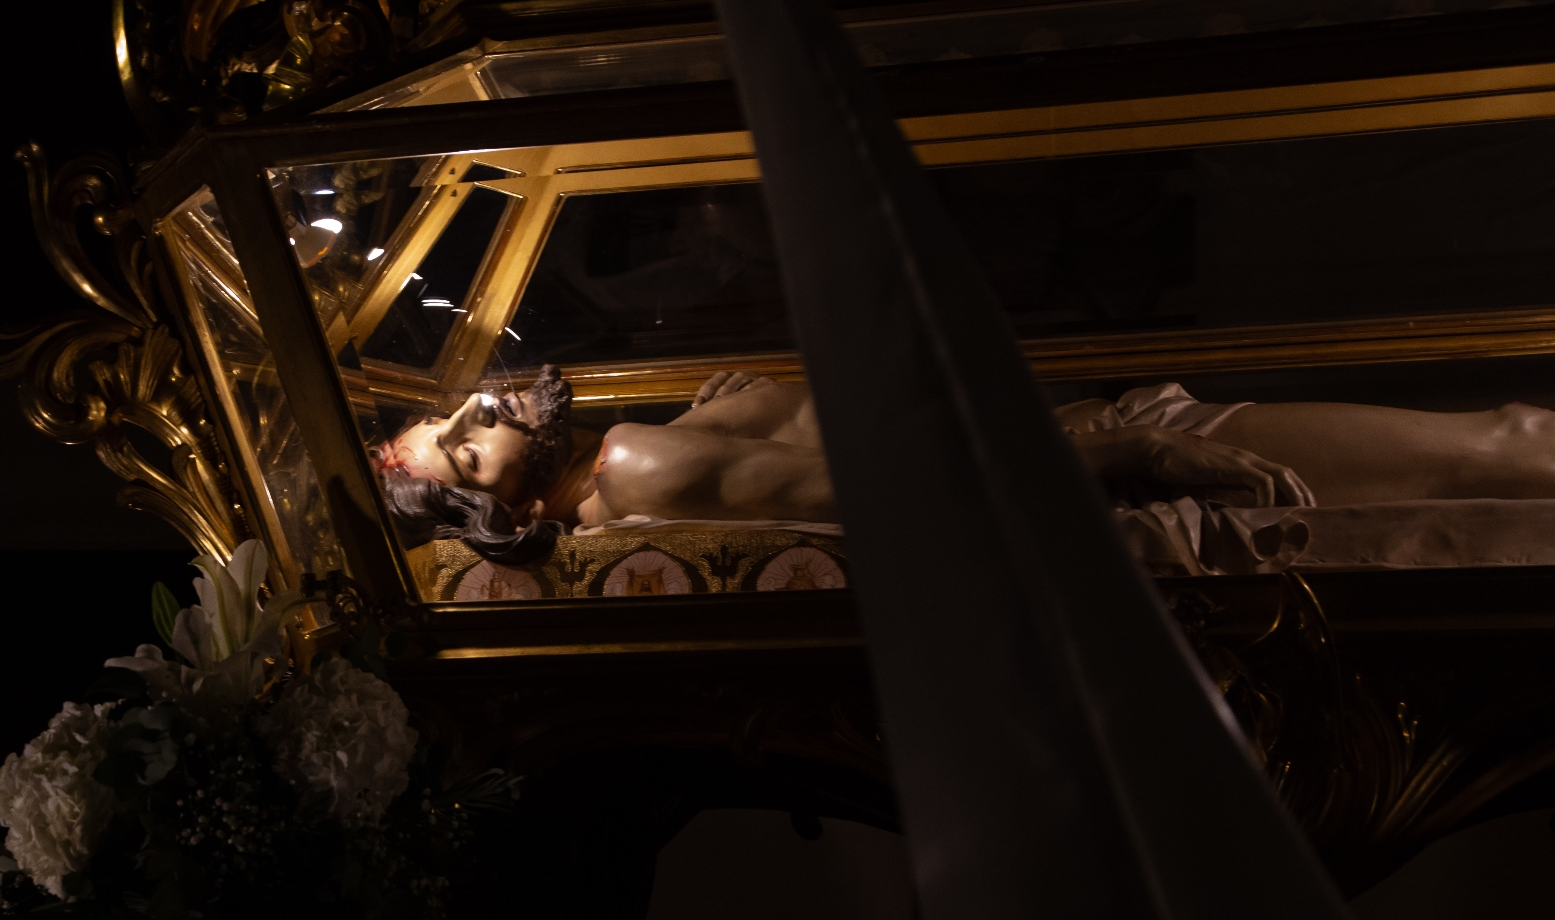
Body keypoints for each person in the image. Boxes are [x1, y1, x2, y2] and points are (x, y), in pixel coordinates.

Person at [374, 363, 1555, 559]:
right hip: (1100, 449)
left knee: (1507, 443)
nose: (482, 413)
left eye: (454, 415)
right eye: (467, 452)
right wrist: (1142, 447)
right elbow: (910, 481)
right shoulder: (634, 463)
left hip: (1093, 437)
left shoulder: (646, 445)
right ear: (507, 511)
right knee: (1507, 444)